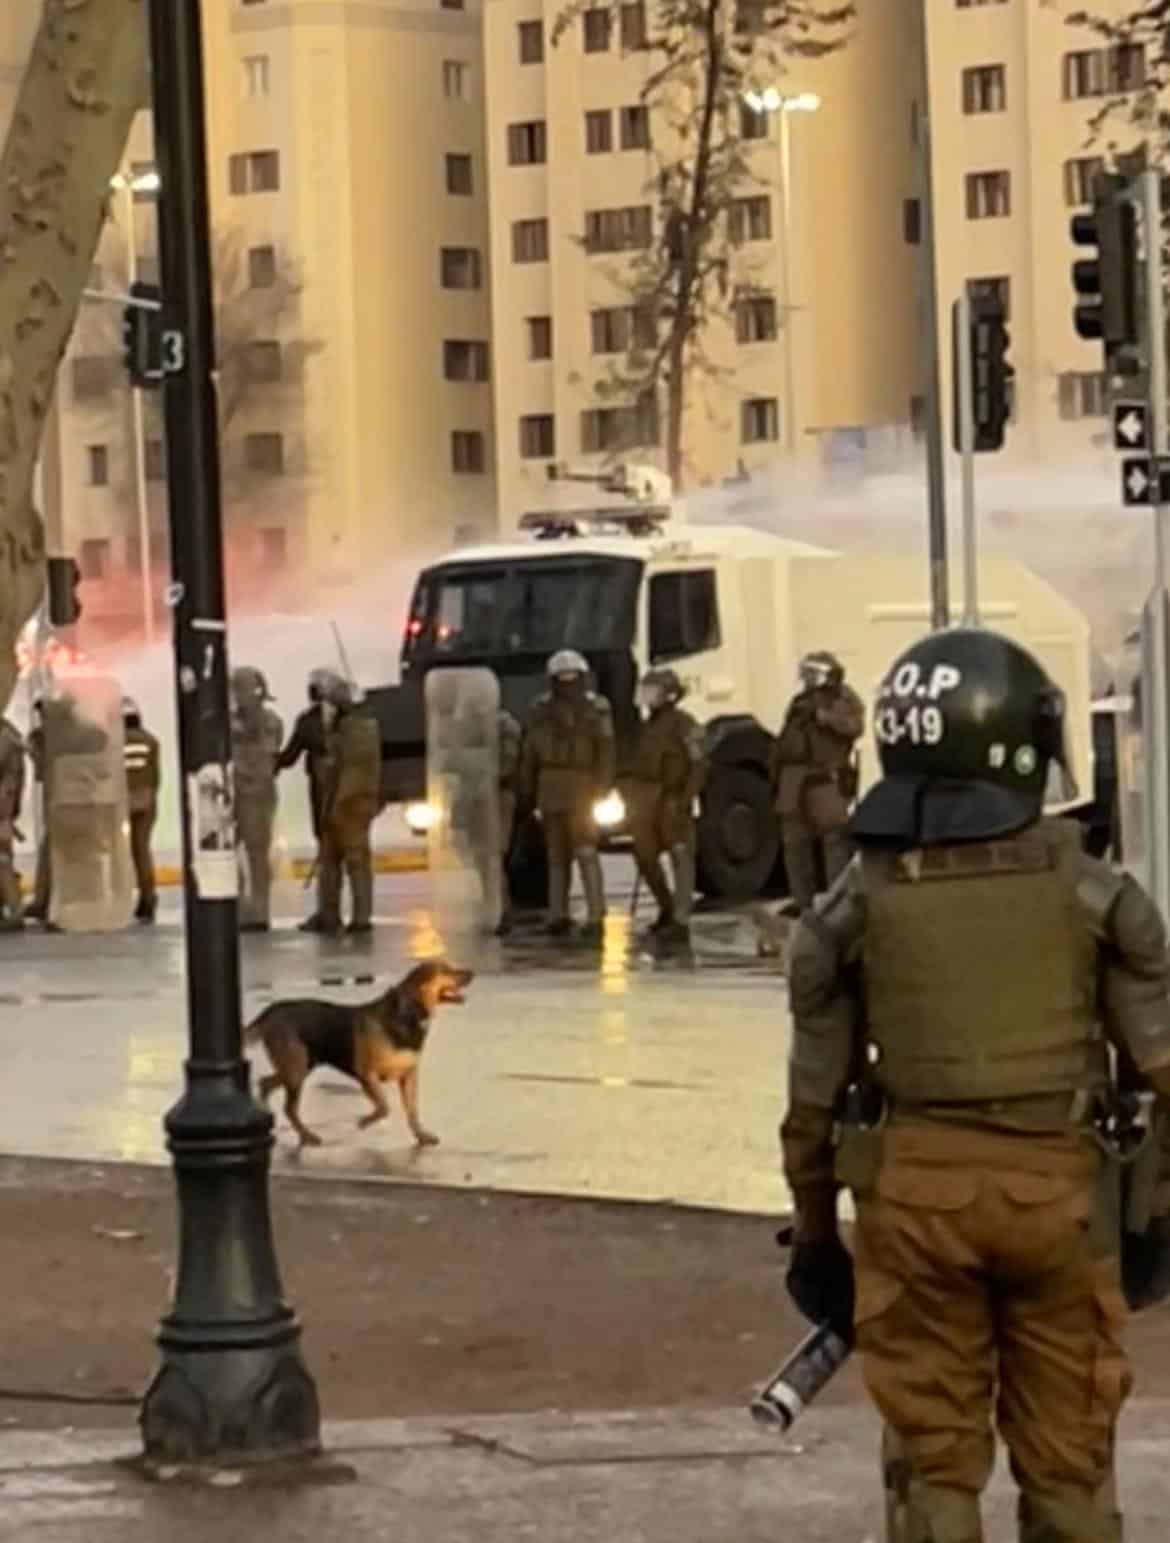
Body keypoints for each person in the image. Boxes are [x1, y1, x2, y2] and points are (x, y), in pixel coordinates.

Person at [780, 627, 1170, 1543]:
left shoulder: (862, 893)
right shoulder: (1091, 888)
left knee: (933, 1462)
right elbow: (1162, 1070)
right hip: (1062, 1203)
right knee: (1070, 1464)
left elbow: (811, 1100)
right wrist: (1154, 1216)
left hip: (913, 1205)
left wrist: (812, 1231)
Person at [521, 650, 615, 941]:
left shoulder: (595, 709)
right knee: (557, 855)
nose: (567, 684)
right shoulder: (541, 710)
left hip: (579, 784)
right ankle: (560, 913)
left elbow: (606, 751)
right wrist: (529, 789)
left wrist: (602, 786)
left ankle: (595, 913)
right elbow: (529, 755)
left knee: (583, 851)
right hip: (555, 785)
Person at [770, 651, 864, 913]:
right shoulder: (799, 703)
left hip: (824, 778)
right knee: (794, 844)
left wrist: (827, 718)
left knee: (834, 843)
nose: (806, 679)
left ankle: (837, 904)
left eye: (811, 673)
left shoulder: (843, 698)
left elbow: (854, 727)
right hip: (793, 779)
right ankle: (803, 902)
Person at [628, 667, 704, 942]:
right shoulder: (647, 726)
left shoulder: (685, 724)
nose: (647, 697)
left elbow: (698, 764)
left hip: (672, 798)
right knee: (644, 856)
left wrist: (686, 798)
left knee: (680, 857)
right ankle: (666, 907)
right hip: (646, 799)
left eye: (653, 691)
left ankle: (681, 918)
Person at [308, 673, 381, 936]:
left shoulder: (358, 728)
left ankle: (361, 918)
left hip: (350, 806)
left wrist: (338, 805)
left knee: (356, 863)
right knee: (329, 863)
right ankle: (329, 915)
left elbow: (354, 771)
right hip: (338, 803)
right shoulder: (346, 726)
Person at [277, 669, 339, 931]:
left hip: (322, 790)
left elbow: (289, 756)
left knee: (327, 852)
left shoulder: (308, 721)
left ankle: (328, 913)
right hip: (348, 789)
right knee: (350, 855)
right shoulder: (351, 719)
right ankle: (356, 916)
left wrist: (268, 763)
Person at [231, 666, 283, 934]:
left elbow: (267, 757)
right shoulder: (226, 723)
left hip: (257, 794)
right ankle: (240, 906)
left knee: (257, 855)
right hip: (233, 794)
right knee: (228, 853)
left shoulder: (269, 723)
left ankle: (260, 909)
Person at [123, 696, 160, 923]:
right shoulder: (151, 741)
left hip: (124, 802)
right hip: (147, 801)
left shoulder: (116, 740)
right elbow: (156, 775)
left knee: (122, 854)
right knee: (143, 851)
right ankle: (148, 898)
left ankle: (124, 900)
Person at [495, 706, 523, 937]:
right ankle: (498, 909)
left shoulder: (504, 726)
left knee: (495, 855)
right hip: (486, 793)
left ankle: (503, 911)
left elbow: (508, 764)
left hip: (499, 793)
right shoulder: (505, 725)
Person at [0, 712, 25, 932]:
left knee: (2, 861)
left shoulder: (6, 739)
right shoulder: (11, 736)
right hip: (5, 808)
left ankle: (15, 911)